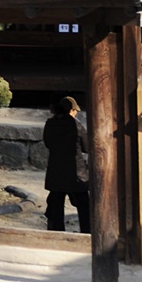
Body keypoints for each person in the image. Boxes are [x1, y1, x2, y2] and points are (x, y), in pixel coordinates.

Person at [43, 95, 91, 233]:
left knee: (56, 204)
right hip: (76, 171)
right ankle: (87, 232)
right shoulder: (75, 124)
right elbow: (87, 147)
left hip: (55, 170)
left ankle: (56, 233)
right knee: (83, 205)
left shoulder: (49, 123)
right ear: (71, 110)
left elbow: (47, 143)